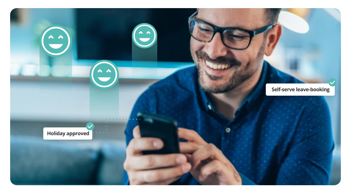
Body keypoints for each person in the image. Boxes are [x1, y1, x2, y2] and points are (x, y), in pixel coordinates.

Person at [122, 8, 334, 185]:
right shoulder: (155, 102)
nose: (213, 51)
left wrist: (237, 186)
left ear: (270, 40)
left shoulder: (306, 109)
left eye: (236, 35)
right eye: (204, 28)